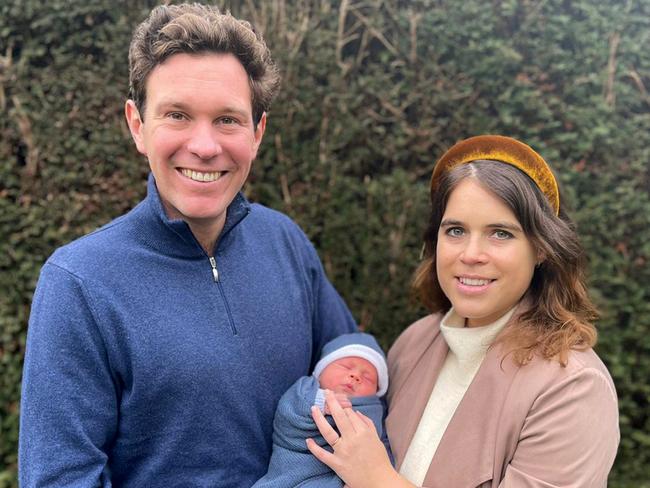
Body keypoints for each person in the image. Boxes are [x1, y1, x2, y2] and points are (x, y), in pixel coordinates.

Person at [19, 4, 357, 487]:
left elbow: (356, 371)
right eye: (177, 115)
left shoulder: (286, 243)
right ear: (137, 125)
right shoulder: (79, 284)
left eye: (227, 120)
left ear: (257, 133)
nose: (204, 145)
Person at [306, 135, 620, 487]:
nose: (471, 254)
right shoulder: (414, 342)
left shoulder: (573, 388)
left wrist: (377, 479)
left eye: (500, 234)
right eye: (455, 230)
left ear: (542, 248)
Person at [253, 332, 389, 488]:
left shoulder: (374, 410)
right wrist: (320, 401)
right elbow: (286, 414)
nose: (355, 375)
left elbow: (382, 448)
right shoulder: (305, 388)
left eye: (367, 377)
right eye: (346, 366)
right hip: (295, 464)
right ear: (321, 371)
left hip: (340, 478)